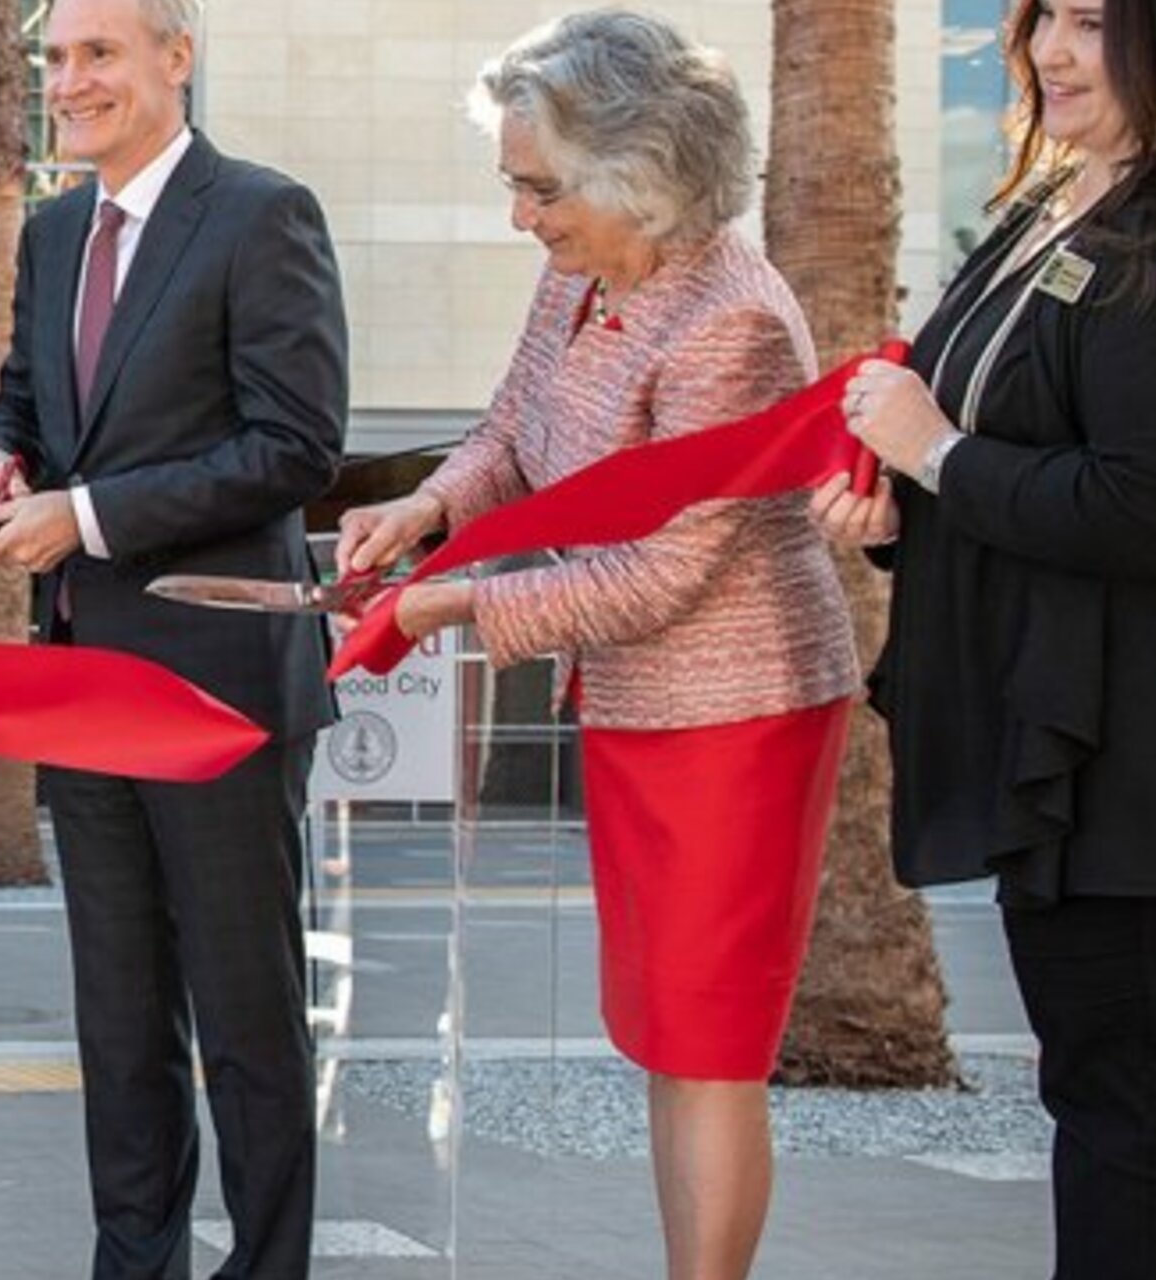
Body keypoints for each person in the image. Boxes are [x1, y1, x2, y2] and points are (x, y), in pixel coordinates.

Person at [336, 14, 858, 1280]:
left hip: (738, 712)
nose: (523, 216)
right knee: (664, 1031)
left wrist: (447, 607)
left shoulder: (732, 326)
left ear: (646, 174)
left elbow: (663, 575)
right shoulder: (586, 267)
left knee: (710, 1040)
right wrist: (432, 506)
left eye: (541, 188)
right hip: (639, 703)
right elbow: (513, 424)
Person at [0, 0, 347, 1273]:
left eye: (99, 53)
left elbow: (296, 445)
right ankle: (136, 1260)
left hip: (216, 688)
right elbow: (26, 392)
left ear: (177, 58)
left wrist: (92, 515)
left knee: (244, 1017)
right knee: (118, 1019)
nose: (70, 81)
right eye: (56, 60)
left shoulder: (260, 211)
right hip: (85, 682)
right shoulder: (60, 229)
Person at [811, 1, 1156, 1274]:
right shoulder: (1060, 203)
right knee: (1108, 1107)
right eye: (1043, 17)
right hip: (1063, 755)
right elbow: (991, 448)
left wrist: (937, 452)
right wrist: (898, 501)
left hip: (1144, 780)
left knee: (1138, 1128)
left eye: (1095, 23)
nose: (1049, 51)